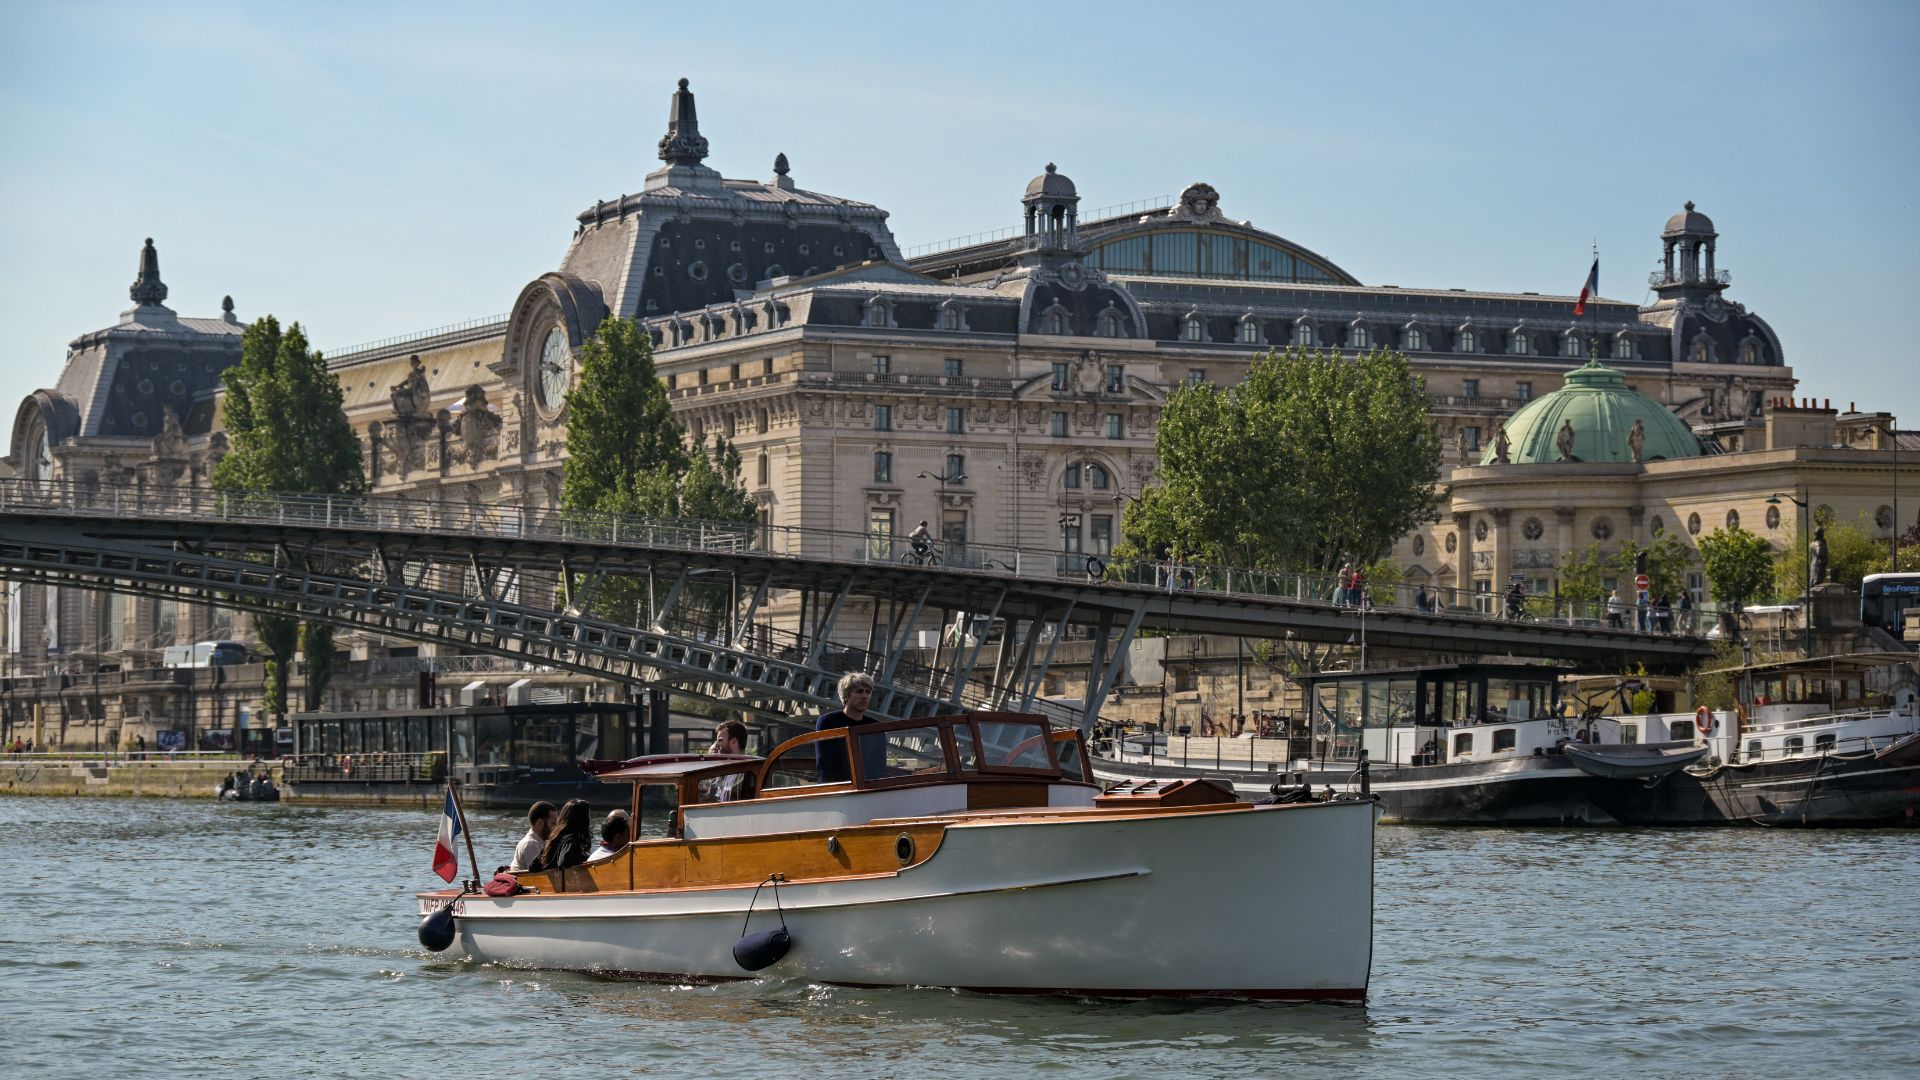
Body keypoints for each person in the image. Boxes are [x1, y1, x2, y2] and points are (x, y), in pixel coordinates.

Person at [815, 672, 884, 783]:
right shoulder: (828, 721)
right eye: (859, 691)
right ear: (846, 695)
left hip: (866, 789)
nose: (865, 696)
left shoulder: (875, 726)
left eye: (868, 692)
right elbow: (825, 764)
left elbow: (879, 767)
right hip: (836, 791)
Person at [532, 799, 593, 872]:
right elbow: (565, 859)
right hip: (559, 881)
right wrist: (589, 858)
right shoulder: (571, 838)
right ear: (583, 820)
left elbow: (533, 866)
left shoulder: (553, 838)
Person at [704, 720, 753, 802]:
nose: (716, 745)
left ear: (733, 742)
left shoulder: (746, 771)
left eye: (720, 740)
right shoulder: (728, 770)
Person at [512, 800, 557, 873]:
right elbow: (541, 876)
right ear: (540, 823)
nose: (556, 828)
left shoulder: (541, 843)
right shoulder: (530, 845)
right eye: (553, 823)